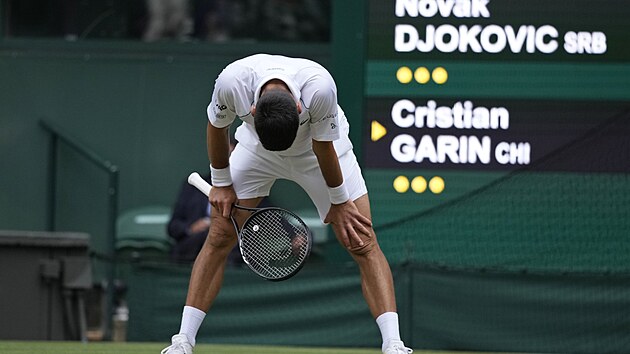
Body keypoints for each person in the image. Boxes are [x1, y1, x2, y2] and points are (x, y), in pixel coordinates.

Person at [160, 54, 412, 354]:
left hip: (319, 151)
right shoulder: (232, 82)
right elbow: (217, 128)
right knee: (219, 235)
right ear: (252, 110)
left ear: (298, 107)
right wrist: (223, 183)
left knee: (362, 240)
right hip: (256, 149)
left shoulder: (319, 88)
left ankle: (393, 344)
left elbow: (323, 146)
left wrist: (340, 202)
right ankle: (183, 341)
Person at [167, 173, 243, 265]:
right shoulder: (193, 187)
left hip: (232, 253)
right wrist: (191, 228)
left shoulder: (249, 189)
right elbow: (173, 226)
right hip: (190, 250)